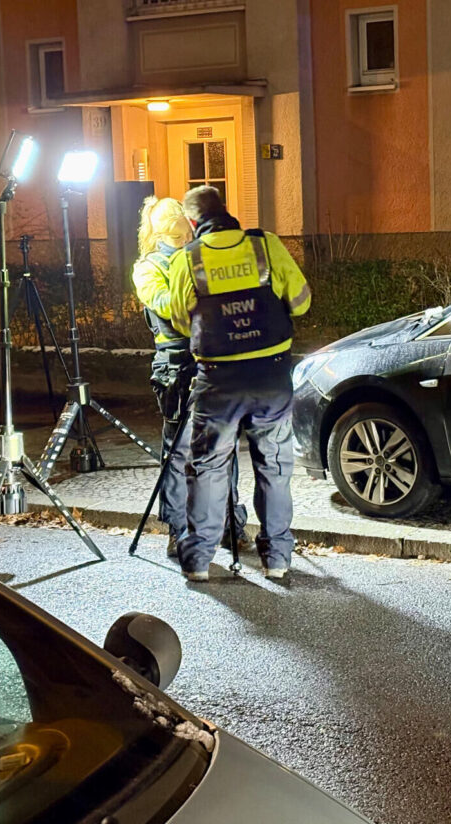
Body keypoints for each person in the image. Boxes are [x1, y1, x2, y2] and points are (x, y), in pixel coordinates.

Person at [166, 186, 311, 582]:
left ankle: (198, 561)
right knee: (275, 465)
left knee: (209, 467)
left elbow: (182, 321)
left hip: (218, 380)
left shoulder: (188, 258)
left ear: (193, 221)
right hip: (271, 374)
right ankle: (277, 558)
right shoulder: (265, 246)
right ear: (225, 210)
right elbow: (301, 301)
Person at [131, 196, 246, 560]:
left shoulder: (195, 260)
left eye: (185, 235)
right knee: (180, 452)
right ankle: (179, 530)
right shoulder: (148, 269)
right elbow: (170, 309)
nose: (183, 241)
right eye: (179, 236)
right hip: (178, 367)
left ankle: (229, 524)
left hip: (211, 360)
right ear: (163, 233)